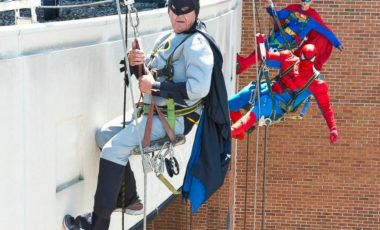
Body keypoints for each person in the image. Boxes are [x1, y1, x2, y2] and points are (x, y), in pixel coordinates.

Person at [63, 0, 219, 229]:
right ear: (168, 11)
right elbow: (148, 77)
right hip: (154, 112)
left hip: (174, 120)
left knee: (113, 149)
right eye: (175, 11)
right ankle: (128, 198)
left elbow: (199, 88)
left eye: (186, 12)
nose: (179, 16)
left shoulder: (197, 45)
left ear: (195, 13)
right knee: (104, 136)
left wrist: (154, 87)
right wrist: (138, 65)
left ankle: (97, 224)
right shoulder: (167, 39)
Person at [229, 40, 339, 144]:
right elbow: (266, 57)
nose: (306, 62)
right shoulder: (288, 58)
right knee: (232, 102)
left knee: (258, 109)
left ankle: (231, 131)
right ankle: (239, 133)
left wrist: (333, 128)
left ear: (314, 59)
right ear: (301, 55)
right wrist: (261, 44)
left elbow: (326, 107)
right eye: (305, 58)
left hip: (277, 104)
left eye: (310, 59)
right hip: (268, 88)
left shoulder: (316, 83)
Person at [236, 0, 343, 74]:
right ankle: (244, 64)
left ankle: (244, 63)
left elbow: (325, 31)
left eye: (307, 1)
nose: (304, 3)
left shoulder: (313, 17)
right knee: (263, 46)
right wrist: (270, 7)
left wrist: (337, 43)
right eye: (302, 1)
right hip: (281, 34)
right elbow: (279, 15)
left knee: (265, 49)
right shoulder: (294, 8)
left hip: (291, 40)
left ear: (311, 1)